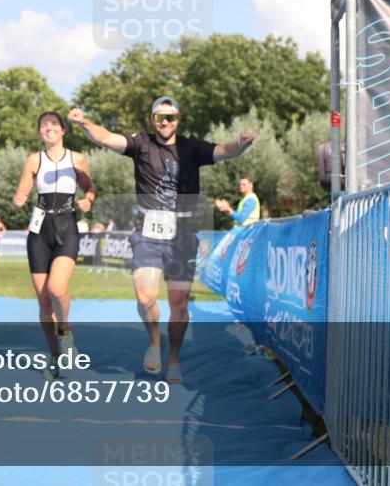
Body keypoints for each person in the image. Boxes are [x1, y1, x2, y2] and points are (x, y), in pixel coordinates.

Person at [69, 96, 253, 383]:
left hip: (183, 234)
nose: (165, 122)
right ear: (153, 119)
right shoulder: (141, 143)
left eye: (170, 117)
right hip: (148, 232)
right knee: (145, 297)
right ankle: (155, 341)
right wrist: (84, 123)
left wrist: (240, 145)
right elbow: (106, 138)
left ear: (178, 119)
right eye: (160, 117)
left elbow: (223, 151)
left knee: (179, 303)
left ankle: (174, 360)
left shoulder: (192, 147)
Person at [13, 111, 95, 379]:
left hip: (67, 226)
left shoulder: (77, 158)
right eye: (43, 125)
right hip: (40, 230)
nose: (48, 128)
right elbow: (23, 191)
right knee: (44, 301)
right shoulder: (34, 159)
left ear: (63, 130)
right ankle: (55, 357)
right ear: (40, 133)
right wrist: (20, 198)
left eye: (53, 124)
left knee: (57, 288)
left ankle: (66, 332)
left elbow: (89, 188)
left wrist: (89, 200)